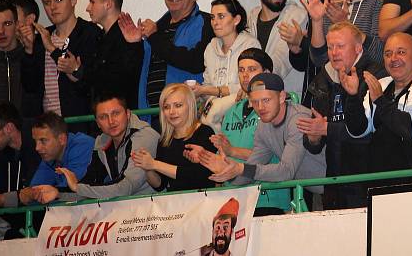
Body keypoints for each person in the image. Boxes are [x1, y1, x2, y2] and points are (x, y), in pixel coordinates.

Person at [197, 73, 326, 213]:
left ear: (282, 97)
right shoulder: (264, 126)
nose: (260, 107)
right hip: (317, 188)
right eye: (255, 101)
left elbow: (286, 171)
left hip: (339, 183)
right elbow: (252, 167)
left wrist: (241, 169)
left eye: (266, 100)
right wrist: (228, 172)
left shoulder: (298, 120)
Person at [298, 22, 384, 209]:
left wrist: (327, 128)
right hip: (334, 181)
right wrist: (313, 138)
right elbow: (317, 138)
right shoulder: (324, 77)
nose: (334, 52)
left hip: (367, 180)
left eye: (340, 46)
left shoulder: (375, 75)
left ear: (358, 47)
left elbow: (368, 131)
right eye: (330, 47)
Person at [200, 48, 297, 214]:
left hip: (268, 197)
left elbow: (275, 156)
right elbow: (224, 154)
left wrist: (233, 151)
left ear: (267, 73)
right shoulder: (231, 111)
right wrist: (204, 157)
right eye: (241, 70)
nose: (245, 75)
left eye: (252, 69)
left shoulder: (277, 111)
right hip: (235, 199)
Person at [119, 0, 214, 115]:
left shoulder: (207, 23)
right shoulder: (157, 28)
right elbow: (134, 74)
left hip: (187, 117)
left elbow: (196, 62)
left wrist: (154, 38)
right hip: (151, 116)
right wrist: (134, 45)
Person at [345, 33, 412, 174]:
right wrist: (353, 97)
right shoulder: (382, 84)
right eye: (388, 54)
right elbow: (358, 130)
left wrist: (380, 100)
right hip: (382, 180)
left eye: (401, 52)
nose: (393, 59)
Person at [19, 0, 103, 134]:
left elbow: (89, 84)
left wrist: (52, 49)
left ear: (73, 0)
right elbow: (30, 86)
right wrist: (29, 50)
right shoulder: (43, 36)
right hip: (47, 127)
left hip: (79, 126)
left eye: (58, 0)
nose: (52, 7)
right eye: (47, 3)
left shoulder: (90, 33)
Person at [47, 92, 160, 201]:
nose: (111, 121)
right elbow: (93, 185)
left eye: (116, 113)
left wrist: (77, 187)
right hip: (128, 210)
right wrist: (57, 194)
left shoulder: (144, 136)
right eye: (103, 117)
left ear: (128, 113)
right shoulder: (102, 142)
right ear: (97, 123)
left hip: (158, 210)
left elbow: (125, 187)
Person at [283, 0, 345, 102]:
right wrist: (296, 49)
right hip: (314, 97)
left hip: (341, 97)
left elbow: (332, 56)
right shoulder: (316, 6)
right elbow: (310, 63)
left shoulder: (353, 6)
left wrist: (302, 42)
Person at [131, 83, 217, 191]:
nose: (172, 112)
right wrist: (147, 167)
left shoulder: (205, 132)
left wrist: (155, 164)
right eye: (166, 107)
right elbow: (160, 185)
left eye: (178, 105)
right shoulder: (165, 140)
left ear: (190, 106)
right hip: (175, 203)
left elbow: (199, 176)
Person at [0, 103, 40, 239]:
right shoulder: (3, 152)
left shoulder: (38, 146)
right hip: (24, 229)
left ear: (9, 128)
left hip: (46, 227)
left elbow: (29, 195)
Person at [247, 0, 308, 93]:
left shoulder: (297, 17)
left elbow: (280, 64)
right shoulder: (250, 18)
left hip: (287, 105)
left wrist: (249, 83)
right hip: (255, 102)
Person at [83, 0, 144, 109]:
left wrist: (79, 72)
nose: (88, 8)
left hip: (120, 119)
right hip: (103, 118)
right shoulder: (99, 38)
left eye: (92, 2)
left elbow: (122, 81)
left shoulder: (127, 38)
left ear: (108, 4)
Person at [191, 0, 260, 100]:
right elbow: (208, 85)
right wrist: (200, 91)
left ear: (236, 20)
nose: (215, 22)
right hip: (215, 110)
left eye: (221, 16)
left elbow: (250, 86)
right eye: (213, 17)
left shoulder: (250, 45)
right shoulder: (210, 48)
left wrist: (208, 90)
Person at [23, 112, 93, 202]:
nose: (37, 148)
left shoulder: (82, 145)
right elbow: (35, 190)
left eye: (43, 140)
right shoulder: (50, 156)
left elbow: (70, 190)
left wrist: (36, 194)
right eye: (35, 141)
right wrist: (29, 193)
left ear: (62, 139)